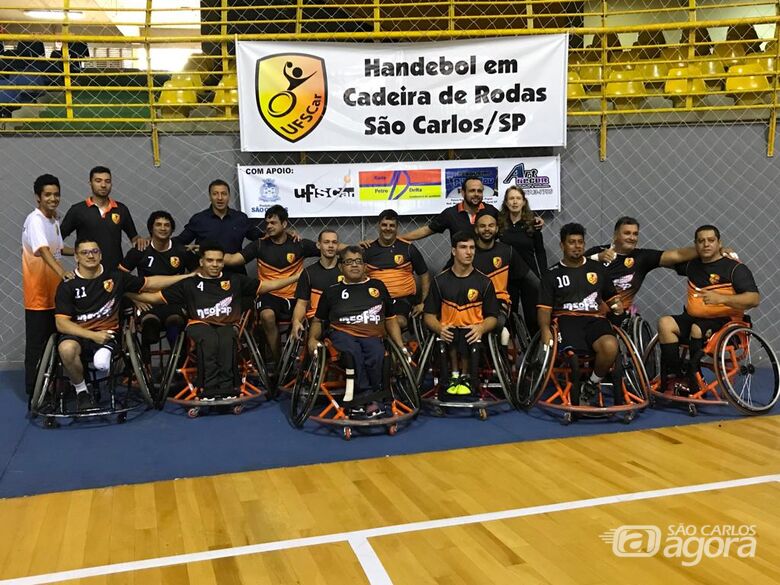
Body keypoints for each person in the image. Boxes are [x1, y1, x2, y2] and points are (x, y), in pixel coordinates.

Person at [54, 239, 193, 411]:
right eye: (85, 252)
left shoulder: (116, 278)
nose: (90, 255)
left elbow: (150, 283)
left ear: (100, 254)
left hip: (109, 333)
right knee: (66, 349)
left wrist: (187, 276)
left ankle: (103, 366)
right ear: (76, 257)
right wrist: (92, 335)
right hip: (79, 334)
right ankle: (82, 392)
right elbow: (61, 323)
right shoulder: (68, 285)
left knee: (101, 363)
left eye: (95, 251)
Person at [152, 241, 300, 400]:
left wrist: (297, 277)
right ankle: (208, 388)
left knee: (225, 338)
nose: (215, 264)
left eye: (219, 260)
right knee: (209, 338)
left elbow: (267, 286)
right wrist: (128, 292)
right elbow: (153, 297)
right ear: (201, 262)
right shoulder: (188, 283)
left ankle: (227, 387)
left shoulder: (235, 279)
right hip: (199, 325)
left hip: (228, 324)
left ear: (223, 262)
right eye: (210, 260)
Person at [656, 225, 759, 395]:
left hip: (725, 321)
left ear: (719, 243)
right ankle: (678, 375)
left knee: (697, 328)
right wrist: (692, 253)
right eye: (701, 241)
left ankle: (694, 380)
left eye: (711, 240)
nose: (706, 244)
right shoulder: (692, 266)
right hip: (693, 318)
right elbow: (667, 260)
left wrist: (722, 298)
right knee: (665, 323)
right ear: (695, 245)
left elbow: (754, 299)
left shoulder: (734, 268)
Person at [308, 246, 405, 418]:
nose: (354, 265)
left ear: (365, 265)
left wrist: (400, 346)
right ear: (341, 267)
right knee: (352, 352)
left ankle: (371, 398)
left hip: (371, 335)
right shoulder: (331, 291)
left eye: (358, 261)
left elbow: (390, 318)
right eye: (349, 262)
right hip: (341, 333)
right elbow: (317, 320)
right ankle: (366, 398)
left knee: (376, 353)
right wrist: (312, 339)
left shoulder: (378, 286)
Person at [537, 223, 624, 406]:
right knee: (574, 358)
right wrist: (545, 330)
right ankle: (576, 394)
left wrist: (617, 306)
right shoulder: (551, 274)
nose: (576, 246)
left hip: (595, 319)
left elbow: (612, 298)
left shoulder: (598, 269)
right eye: (571, 242)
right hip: (565, 320)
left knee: (610, 346)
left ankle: (591, 384)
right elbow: (544, 309)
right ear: (562, 245)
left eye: (580, 242)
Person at [224, 204, 318, 367]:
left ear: (284, 224)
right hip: (270, 295)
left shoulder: (299, 244)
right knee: (266, 316)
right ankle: (279, 362)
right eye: (266, 223)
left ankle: (304, 364)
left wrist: (355, 249)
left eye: (273, 223)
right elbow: (233, 260)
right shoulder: (259, 245)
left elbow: (328, 249)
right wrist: (206, 254)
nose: (268, 226)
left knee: (314, 316)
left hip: (296, 297)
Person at [584, 216, 716, 325]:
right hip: (588, 309)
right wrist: (596, 258)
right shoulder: (597, 251)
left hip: (618, 315)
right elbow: (571, 266)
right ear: (615, 235)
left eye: (635, 234)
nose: (632, 237)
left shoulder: (642, 257)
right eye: (627, 233)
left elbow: (677, 255)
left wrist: (714, 250)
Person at [424, 231, 500, 398]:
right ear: (453, 251)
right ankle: (452, 378)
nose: (469, 252)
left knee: (469, 335)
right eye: (463, 247)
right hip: (448, 332)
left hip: (473, 333)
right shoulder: (440, 281)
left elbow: (493, 317)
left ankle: (467, 378)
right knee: (449, 335)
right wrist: (439, 328)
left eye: (472, 248)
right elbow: (428, 315)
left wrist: (481, 328)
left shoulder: (484, 282)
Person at [22, 174, 74, 404]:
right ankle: (35, 392)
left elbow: (60, 250)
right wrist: (62, 273)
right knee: (37, 345)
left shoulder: (53, 221)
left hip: (55, 294)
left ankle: (55, 385)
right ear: (38, 197)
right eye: (48, 195)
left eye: (56, 194)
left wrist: (89, 251)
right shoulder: (35, 220)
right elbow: (43, 251)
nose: (53, 198)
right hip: (37, 294)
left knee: (56, 341)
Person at [119, 211, 198, 359]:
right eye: (158, 225)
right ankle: (146, 370)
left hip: (174, 302)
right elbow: (119, 277)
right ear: (151, 229)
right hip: (148, 302)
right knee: (149, 325)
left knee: (175, 323)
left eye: (167, 225)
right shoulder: (140, 250)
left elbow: (199, 273)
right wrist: (136, 298)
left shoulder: (181, 250)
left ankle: (177, 369)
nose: (163, 228)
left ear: (172, 229)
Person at [399, 176, 543, 245]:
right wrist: (400, 239)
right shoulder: (450, 214)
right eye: (472, 191)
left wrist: (534, 220)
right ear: (462, 193)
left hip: (488, 266)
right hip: (460, 266)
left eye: (479, 191)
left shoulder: (491, 211)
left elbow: (512, 223)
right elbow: (427, 230)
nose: (476, 194)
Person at [60, 166, 149, 272]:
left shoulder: (121, 209)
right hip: (88, 274)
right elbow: (55, 244)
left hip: (115, 273)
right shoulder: (77, 210)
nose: (103, 185)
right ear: (90, 183)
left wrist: (142, 240)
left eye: (107, 181)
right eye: (98, 181)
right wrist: (79, 252)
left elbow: (134, 238)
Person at [173, 179, 264, 274]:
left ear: (229, 196)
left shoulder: (240, 218)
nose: (220, 198)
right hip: (207, 275)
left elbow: (260, 238)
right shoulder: (199, 219)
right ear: (210, 197)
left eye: (224, 194)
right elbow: (179, 242)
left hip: (235, 273)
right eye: (215, 194)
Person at [363, 209, 430, 330]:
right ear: (378, 226)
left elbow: (424, 274)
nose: (388, 228)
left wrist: (423, 303)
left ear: (397, 227)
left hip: (402, 300)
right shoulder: (367, 249)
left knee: (399, 322)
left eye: (392, 225)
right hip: (374, 300)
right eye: (384, 225)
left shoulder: (408, 248)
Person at [472, 210, 530, 335]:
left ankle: (503, 350)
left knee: (496, 323)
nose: (487, 229)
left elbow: (530, 279)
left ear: (497, 228)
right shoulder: (467, 251)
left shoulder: (507, 251)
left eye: (491, 225)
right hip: (471, 301)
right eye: (482, 226)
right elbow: (445, 278)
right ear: (476, 229)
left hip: (499, 301)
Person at [497, 185, 546, 332]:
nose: (515, 202)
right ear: (506, 203)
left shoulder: (533, 224)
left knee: (532, 317)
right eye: (511, 198)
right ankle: (510, 351)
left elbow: (540, 252)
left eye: (518, 198)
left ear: (524, 202)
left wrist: (542, 275)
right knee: (509, 317)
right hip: (507, 277)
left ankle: (535, 351)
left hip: (529, 276)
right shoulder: (499, 225)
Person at [290, 228, 342, 340]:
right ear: (318, 245)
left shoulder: (346, 270)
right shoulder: (308, 273)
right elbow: (301, 304)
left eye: (334, 242)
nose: (331, 246)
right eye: (326, 242)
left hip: (341, 318)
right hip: (317, 320)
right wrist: (296, 321)